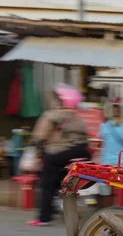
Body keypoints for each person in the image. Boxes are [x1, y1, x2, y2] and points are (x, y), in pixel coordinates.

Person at [27, 84, 90, 226]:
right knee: (63, 179)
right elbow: (85, 137)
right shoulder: (77, 117)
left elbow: (39, 137)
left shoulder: (51, 115)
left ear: (61, 102)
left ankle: (44, 218)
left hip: (59, 153)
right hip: (82, 152)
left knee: (47, 183)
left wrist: (37, 154)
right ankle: (64, 206)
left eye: (56, 100)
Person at [99, 102, 123, 207]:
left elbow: (100, 138)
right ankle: (121, 209)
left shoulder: (104, 126)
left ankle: (106, 209)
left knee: (105, 185)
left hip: (107, 161)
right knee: (122, 186)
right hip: (122, 161)